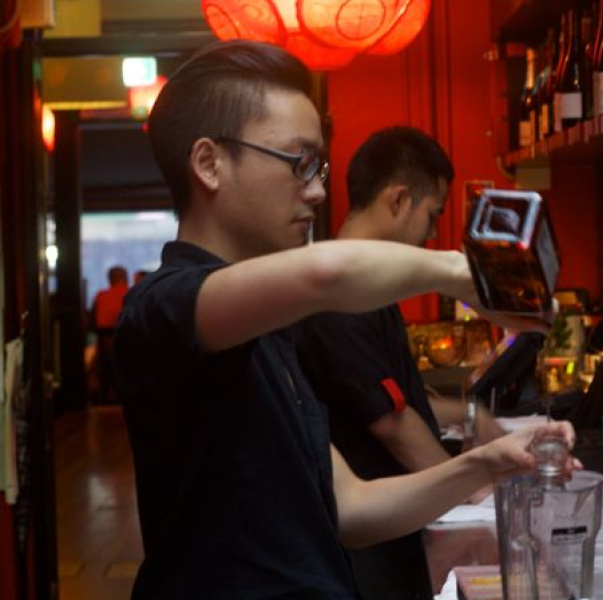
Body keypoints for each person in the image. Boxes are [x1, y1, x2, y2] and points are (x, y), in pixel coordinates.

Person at [113, 40, 577, 600]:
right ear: (210, 164)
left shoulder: (264, 330)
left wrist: (484, 464)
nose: (317, 190)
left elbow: (350, 507)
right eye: (299, 163)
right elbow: (325, 273)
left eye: (319, 166)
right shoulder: (164, 307)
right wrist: (467, 274)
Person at [295, 126, 506, 600]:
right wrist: (474, 491)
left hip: (390, 525)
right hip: (366, 544)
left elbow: (398, 396)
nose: (431, 234)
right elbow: (392, 423)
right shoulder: (339, 297)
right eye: (432, 215)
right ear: (398, 199)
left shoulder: (370, 287)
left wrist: (469, 414)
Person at [90, 265, 128, 404]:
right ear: (125, 278)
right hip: (126, 337)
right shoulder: (131, 293)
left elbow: (92, 320)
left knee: (105, 369)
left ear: (110, 279)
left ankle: (105, 397)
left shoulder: (101, 296)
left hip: (104, 338)